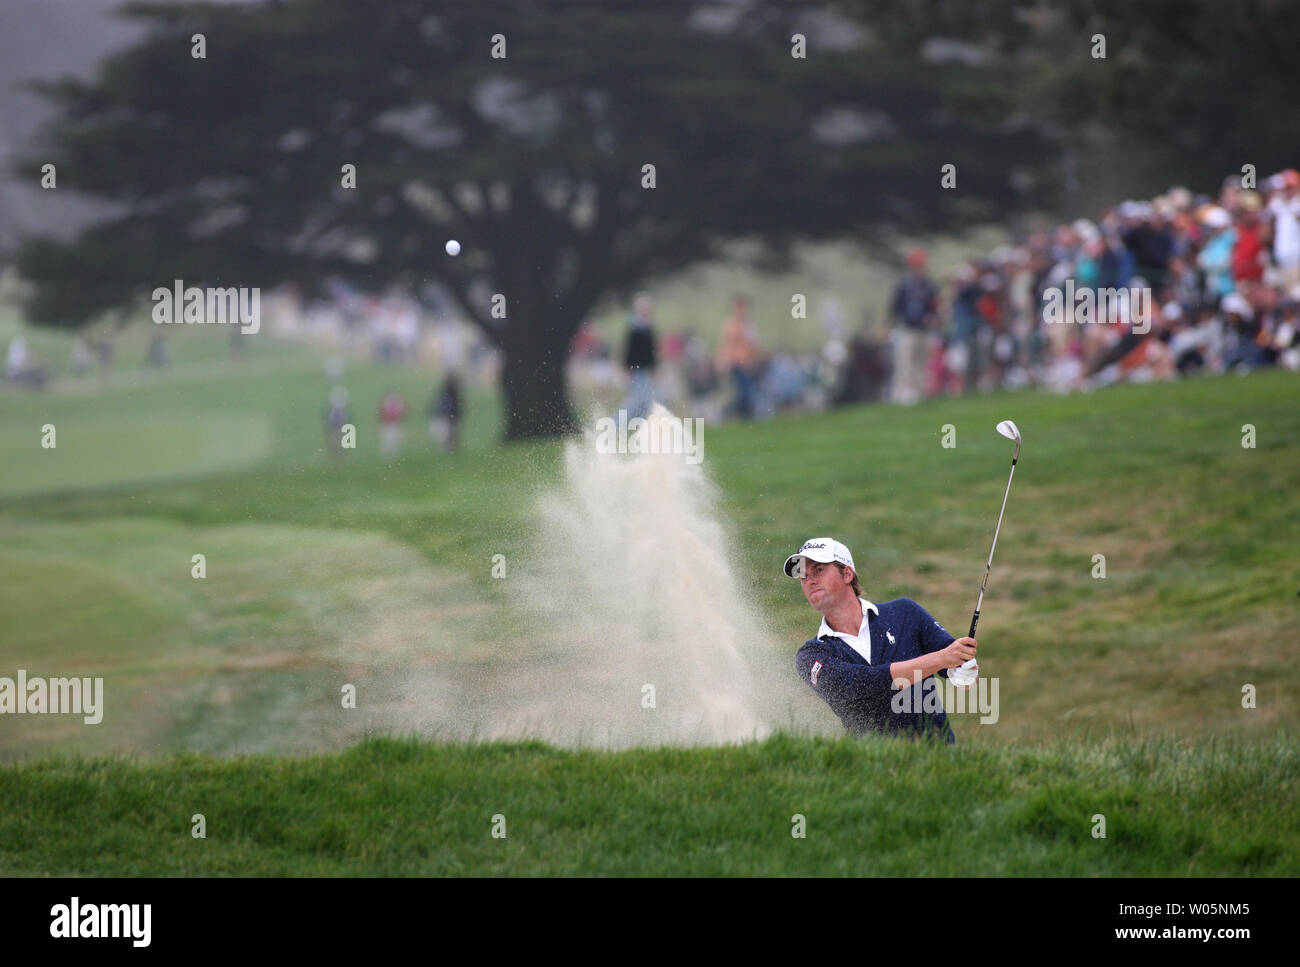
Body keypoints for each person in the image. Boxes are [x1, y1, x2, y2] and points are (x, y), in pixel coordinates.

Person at [784, 537, 978, 743]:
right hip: (872, 768)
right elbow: (859, 685)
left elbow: (958, 667)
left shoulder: (905, 613)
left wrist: (964, 671)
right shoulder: (811, 656)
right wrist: (941, 659)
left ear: (847, 573)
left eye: (819, 570)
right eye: (803, 576)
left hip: (937, 759)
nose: (809, 580)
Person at [888, 248, 938, 404]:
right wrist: (889, 324)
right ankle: (902, 393)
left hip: (923, 329)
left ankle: (918, 392)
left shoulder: (928, 285)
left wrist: (933, 318)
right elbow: (895, 307)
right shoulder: (904, 285)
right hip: (907, 328)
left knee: (921, 362)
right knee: (905, 362)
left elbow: (934, 305)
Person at [716, 295, 759, 419]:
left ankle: (743, 417)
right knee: (743, 393)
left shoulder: (749, 325)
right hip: (735, 364)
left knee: (746, 393)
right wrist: (723, 361)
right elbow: (726, 345)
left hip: (747, 365)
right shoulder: (730, 325)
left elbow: (753, 345)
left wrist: (754, 360)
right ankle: (728, 413)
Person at [621, 293, 658, 420]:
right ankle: (616, 423)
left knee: (645, 400)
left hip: (645, 370)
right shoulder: (636, 328)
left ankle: (638, 424)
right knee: (638, 399)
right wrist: (627, 369)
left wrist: (653, 368)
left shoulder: (647, 326)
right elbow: (630, 351)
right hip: (637, 370)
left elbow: (651, 352)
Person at [428, 372, 462, 452]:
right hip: (449, 415)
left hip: (446, 415)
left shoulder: (443, 390)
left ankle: (450, 448)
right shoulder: (452, 391)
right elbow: (455, 404)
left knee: (449, 433)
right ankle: (450, 448)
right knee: (450, 433)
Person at [377, 387, 408, 458]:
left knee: (394, 440)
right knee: (388, 440)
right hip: (388, 424)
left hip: (394, 424)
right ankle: (389, 455)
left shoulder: (398, 402)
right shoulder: (386, 402)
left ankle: (393, 455)